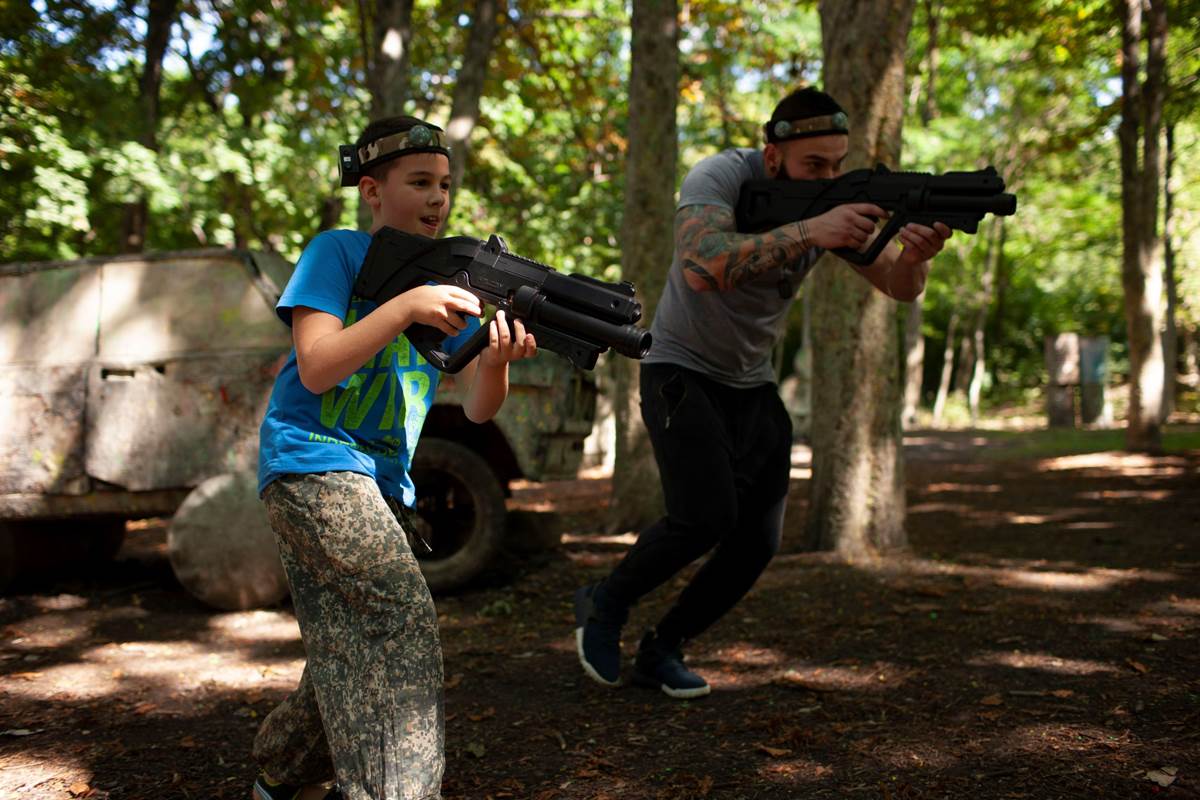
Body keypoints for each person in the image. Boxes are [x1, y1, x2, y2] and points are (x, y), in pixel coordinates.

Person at [573, 87, 951, 699]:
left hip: (752, 382)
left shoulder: (835, 202)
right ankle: (605, 603)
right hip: (680, 368)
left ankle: (663, 647)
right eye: (814, 166)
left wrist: (915, 257)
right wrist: (812, 228)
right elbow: (703, 263)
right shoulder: (721, 175)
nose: (829, 176)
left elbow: (898, 287)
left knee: (757, 541)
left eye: (837, 163)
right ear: (774, 156)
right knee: (705, 518)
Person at [251, 116, 536, 800]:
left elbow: (476, 409)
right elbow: (317, 367)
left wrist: (495, 360)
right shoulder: (339, 253)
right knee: (396, 620)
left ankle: (275, 774)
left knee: (342, 654)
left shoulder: (445, 281)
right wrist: (406, 306)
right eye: (419, 183)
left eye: (444, 184)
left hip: (383, 486)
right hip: (312, 462)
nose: (438, 198)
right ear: (372, 191)